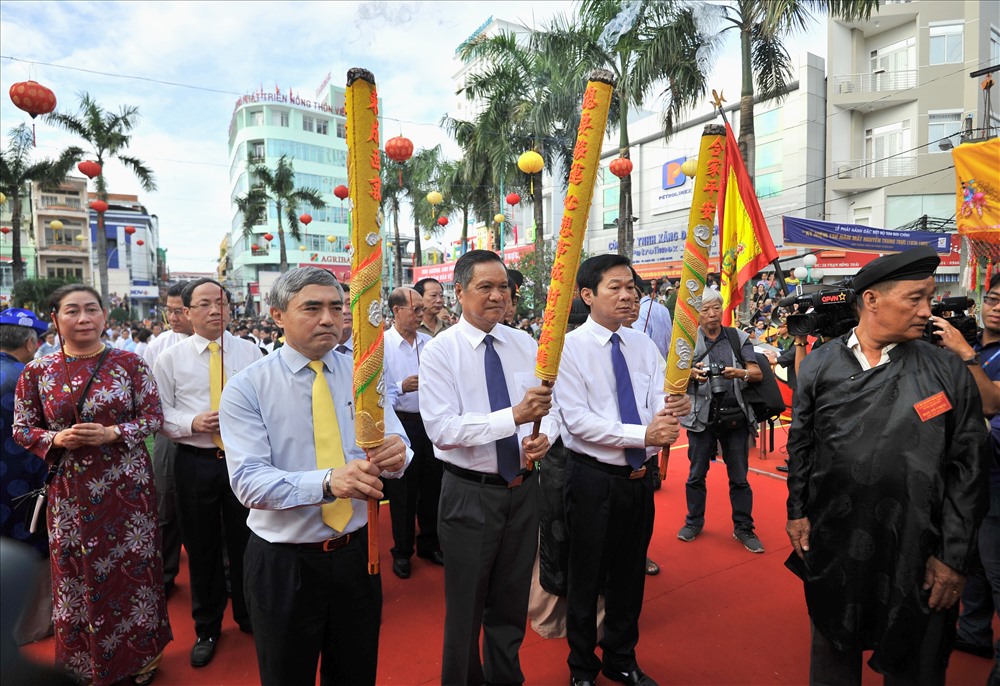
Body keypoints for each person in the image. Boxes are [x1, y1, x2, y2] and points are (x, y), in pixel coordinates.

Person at [785, 246, 990, 685]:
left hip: (918, 546)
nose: (927, 311)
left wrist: (953, 558)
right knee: (833, 650)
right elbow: (802, 443)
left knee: (916, 661)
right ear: (872, 300)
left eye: (930, 298)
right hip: (836, 539)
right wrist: (797, 513)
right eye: (915, 298)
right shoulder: (821, 364)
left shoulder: (945, 371)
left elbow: (968, 467)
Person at [219, 267, 410, 686]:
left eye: (336, 307)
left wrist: (398, 455)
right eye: (312, 307)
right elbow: (248, 482)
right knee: (287, 674)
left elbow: (397, 443)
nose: (329, 318)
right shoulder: (247, 387)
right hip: (285, 561)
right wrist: (327, 482)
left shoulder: (364, 376)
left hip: (358, 555)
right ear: (277, 315)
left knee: (356, 671)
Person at [13, 284, 170, 686]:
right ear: (55, 319)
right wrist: (54, 439)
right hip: (70, 493)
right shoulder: (38, 371)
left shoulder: (130, 364)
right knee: (76, 573)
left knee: (134, 570)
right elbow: (22, 428)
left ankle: (140, 657)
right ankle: (83, 663)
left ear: (104, 316)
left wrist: (112, 433)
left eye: (91, 310)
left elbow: (154, 418)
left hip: (127, 489)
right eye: (72, 311)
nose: (83, 318)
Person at [420, 249, 556, 685]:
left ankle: (505, 678)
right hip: (470, 494)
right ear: (459, 292)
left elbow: (549, 408)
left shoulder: (523, 343)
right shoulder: (441, 352)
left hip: (522, 488)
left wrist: (543, 436)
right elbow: (442, 430)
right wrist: (513, 418)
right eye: (486, 287)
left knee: (511, 602)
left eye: (504, 287)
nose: (498, 296)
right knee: (465, 608)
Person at [555, 256, 689, 686]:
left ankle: (621, 657)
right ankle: (581, 667)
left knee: (630, 576)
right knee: (586, 575)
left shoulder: (643, 344)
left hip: (638, 481)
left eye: (631, 286)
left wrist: (673, 412)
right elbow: (578, 421)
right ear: (587, 295)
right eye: (616, 287)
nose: (628, 295)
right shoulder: (568, 349)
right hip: (592, 478)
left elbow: (656, 401)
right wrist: (645, 433)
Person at [152, 278, 261, 668]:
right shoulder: (169, 358)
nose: (216, 310)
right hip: (194, 461)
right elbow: (160, 415)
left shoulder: (252, 352)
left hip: (242, 461)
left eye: (222, 302)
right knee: (201, 547)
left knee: (247, 541)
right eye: (205, 304)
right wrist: (193, 422)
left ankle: (250, 614)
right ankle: (208, 626)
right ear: (187, 312)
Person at [932, 274, 1000, 683]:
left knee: (995, 567)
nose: (997, 307)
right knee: (971, 559)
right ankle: (973, 632)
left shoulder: (969, 351)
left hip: (996, 473)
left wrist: (964, 356)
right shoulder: (972, 343)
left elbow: (990, 403)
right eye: (992, 298)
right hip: (964, 471)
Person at [678, 288, 765, 553]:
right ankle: (693, 522)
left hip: (734, 415)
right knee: (696, 475)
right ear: (697, 313)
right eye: (705, 309)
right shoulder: (687, 340)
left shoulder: (737, 337)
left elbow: (757, 373)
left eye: (716, 308)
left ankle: (744, 528)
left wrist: (739, 373)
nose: (712, 314)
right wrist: (692, 375)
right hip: (700, 418)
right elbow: (674, 377)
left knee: (739, 477)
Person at [0, 308, 52, 645]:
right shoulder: (29, 378)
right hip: (24, 484)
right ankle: (32, 627)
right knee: (32, 555)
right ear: (32, 343)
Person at [383, 286, 443, 579]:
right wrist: (400, 387)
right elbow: (376, 394)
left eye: (422, 309)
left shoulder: (429, 342)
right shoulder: (381, 346)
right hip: (399, 423)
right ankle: (402, 551)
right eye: (415, 309)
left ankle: (429, 542)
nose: (422, 314)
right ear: (396, 311)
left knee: (432, 486)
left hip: (430, 422)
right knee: (403, 491)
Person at [142, 282, 191, 595]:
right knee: (165, 507)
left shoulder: (230, 347)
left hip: (216, 438)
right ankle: (165, 574)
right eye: (168, 310)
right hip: (168, 436)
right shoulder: (159, 345)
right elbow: (148, 396)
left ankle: (229, 577)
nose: (172, 317)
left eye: (178, 311)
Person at [633, 275, 672, 362]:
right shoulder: (663, 308)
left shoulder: (638, 312)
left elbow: (641, 348)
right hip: (666, 364)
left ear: (635, 288)